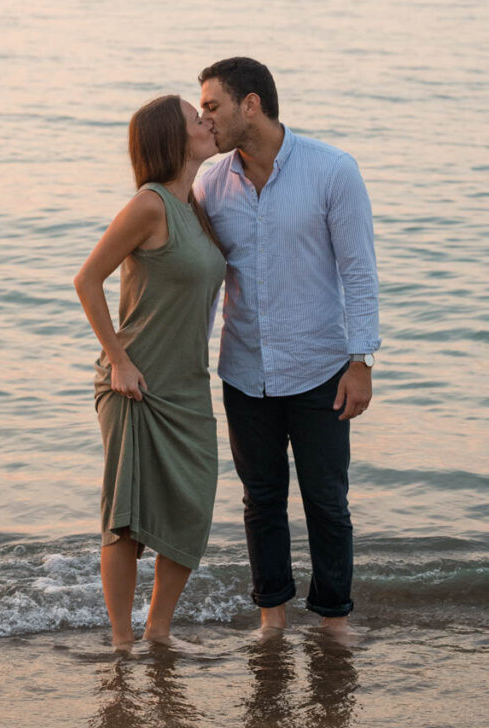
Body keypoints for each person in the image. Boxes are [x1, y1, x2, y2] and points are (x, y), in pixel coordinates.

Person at [194, 57, 380, 641]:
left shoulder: (332, 171)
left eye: (212, 106)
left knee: (327, 500)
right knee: (261, 499)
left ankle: (333, 619)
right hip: (245, 369)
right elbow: (201, 275)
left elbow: (359, 272)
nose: (205, 119)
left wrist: (361, 360)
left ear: (251, 104)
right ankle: (271, 616)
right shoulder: (210, 182)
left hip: (322, 366)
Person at [74, 95, 225, 650]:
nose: (207, 122)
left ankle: (158, 630)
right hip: (135, 386)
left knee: (192, 507)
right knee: (127, 519)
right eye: (195, 118)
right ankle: (121, 642)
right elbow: (87, 280)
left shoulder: (195, 207)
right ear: (172, 139)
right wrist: (119, 360)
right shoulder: (150, 204)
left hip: (187, 387)